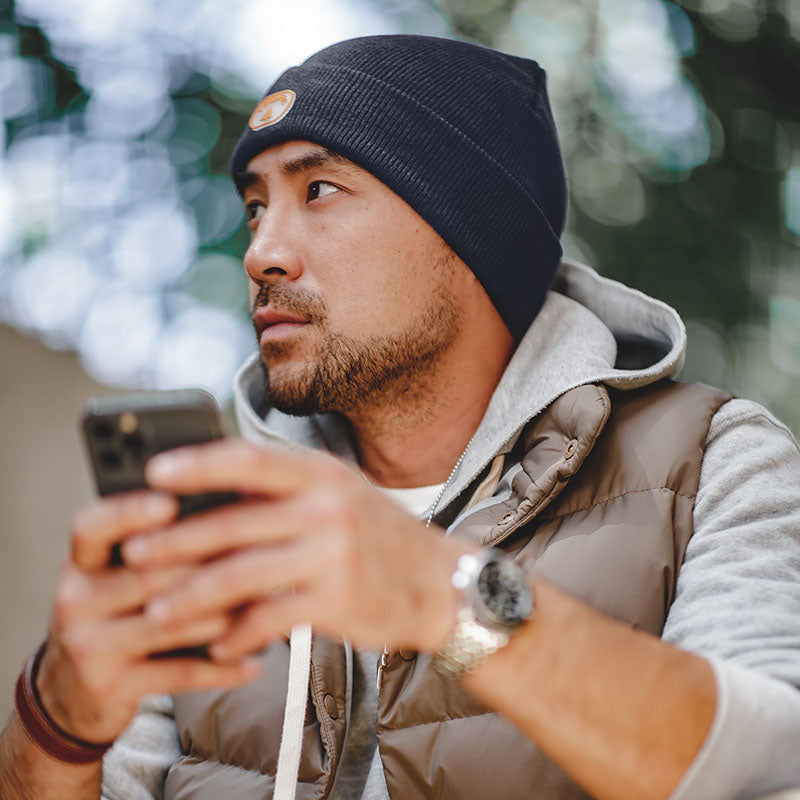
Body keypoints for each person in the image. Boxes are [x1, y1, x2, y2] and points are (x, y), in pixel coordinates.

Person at [2, 34, 799, 800]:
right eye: (254, 206)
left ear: (468, 229)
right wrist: (57, 724)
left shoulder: (710, 463)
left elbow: (772, 767)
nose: (260, 252)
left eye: (319, 190)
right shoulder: (217, 517)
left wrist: (445, 603)